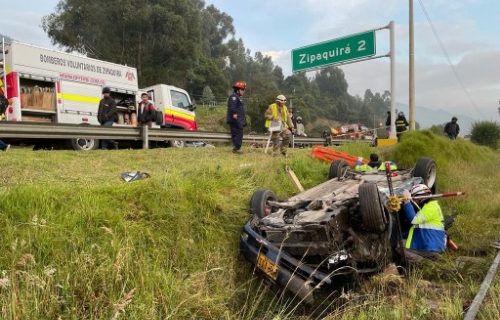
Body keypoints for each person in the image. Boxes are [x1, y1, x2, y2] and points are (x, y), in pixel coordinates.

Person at [400, 184, 446, 261]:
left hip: (430, 247)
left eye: (414, 200)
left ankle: (425, 264)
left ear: (420, 196)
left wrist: (407, 202)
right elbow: (415, 230)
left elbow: (413, 220)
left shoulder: (431, 206)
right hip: (428, 246)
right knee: (402, 244)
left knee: (401, 249)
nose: (414, 202)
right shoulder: (426, 208)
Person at [226, 80, 246, 154]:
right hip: (235, 120)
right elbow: (232, 107)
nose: (243, 91)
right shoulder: (234, 97)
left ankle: (237, 148)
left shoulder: (238, 97)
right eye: (242, 89)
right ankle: (236, 149)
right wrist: (235, 114)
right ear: (238, 90)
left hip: (238, 119)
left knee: (239, 133)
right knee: (237, 133)